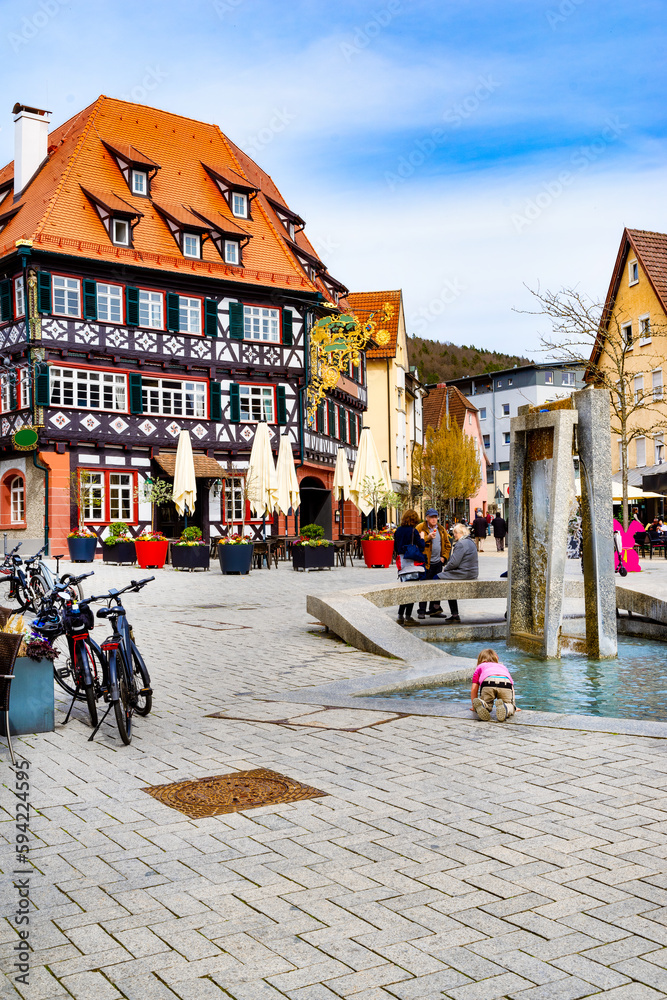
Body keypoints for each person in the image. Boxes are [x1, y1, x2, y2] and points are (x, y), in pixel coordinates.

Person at [435, 522, 478, 622]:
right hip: (472, 573)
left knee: (437, 577)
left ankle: (436, 606)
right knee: (448, 584)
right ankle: (453, 614)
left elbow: (454, 562)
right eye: (454, 532)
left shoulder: (461, 544)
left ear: (462, 533)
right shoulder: (470, 542)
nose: (454, 535)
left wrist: (445, 569)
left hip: (464, 573)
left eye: (456, 533)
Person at [415, 508, 451, 619]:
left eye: (435, 517)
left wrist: (444, 557)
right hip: (425, 563)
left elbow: (447, 545)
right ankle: (421, 610)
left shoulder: (441, 529)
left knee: (437, 587)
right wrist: (427, 537)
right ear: (427, 518)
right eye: (432, 517)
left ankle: (435, 610)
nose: (434, 519)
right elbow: (416, 544)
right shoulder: (420, 528)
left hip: (437, 563)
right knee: (424, 586)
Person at [393, 509, 425, 625]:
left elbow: (396, 548)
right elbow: (421, 547)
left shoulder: (398, 531)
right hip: (412, 564)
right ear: (414, 519)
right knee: (411, 592)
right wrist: (422, 537)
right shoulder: (414, 531)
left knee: (404, 590)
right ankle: (408, 617)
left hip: (402, 563)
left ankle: (400, 616)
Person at [470, 647, 518, 722]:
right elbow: (511, 687)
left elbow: (474, 689)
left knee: (487, 704)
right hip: (505, 683)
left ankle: (483, 704)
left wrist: (473, 706)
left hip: (488, 682)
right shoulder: (502, 666)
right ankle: (507, 708)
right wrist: (513, 705)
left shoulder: (480, 667)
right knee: (509, 705)